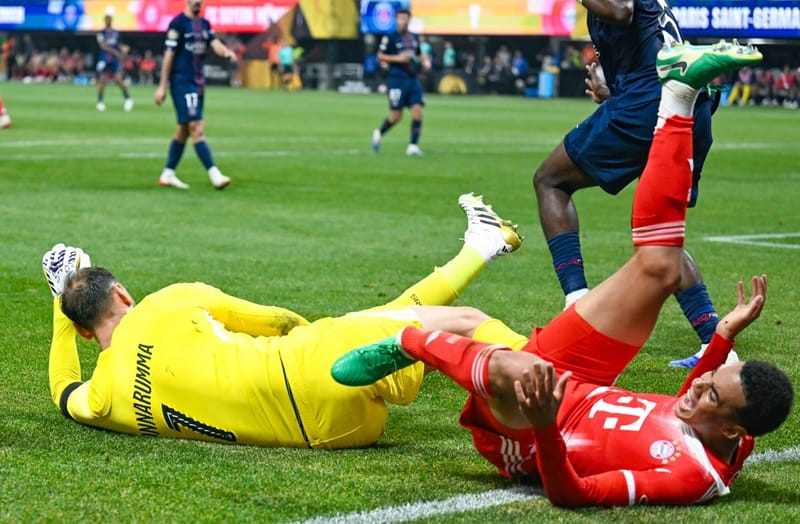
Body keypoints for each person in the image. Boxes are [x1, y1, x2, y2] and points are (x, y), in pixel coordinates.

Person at [333, 42, 792, 507]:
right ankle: (679, 91)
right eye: (708, 381)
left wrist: (545, 426)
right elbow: (693, 402)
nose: (696, 385)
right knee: (661, 269)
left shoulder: (690, 477)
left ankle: (406, 344)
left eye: (710, 393)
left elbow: (574, 493)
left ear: (731, 429)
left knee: (523, 369)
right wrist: (722, 337)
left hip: (529, 434)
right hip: (583, 382)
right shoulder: (733, 429)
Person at [43, 195, 522, 449]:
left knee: (382, 325)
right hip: (313, 365)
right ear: (122, 295)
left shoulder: (103, 398)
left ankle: (481, 245)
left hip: (333, 434)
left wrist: (59, 303)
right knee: (465, 323)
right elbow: (277, 322)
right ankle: (551, 366)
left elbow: (63, 388)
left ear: (82, 330)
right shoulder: (167, 302)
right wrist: (322, 330)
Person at [533, 0, 723, 369]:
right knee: (662, 231)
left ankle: (576, 301)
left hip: (650, 103)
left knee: (550, 181)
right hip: (689, 105)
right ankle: (717, 346)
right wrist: (611, 93)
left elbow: (621, 9)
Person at [154, 0, 237, 190]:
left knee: (183, 130)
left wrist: (227, 52)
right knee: (196, 126)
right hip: (182, 83)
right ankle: (214, 174)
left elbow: (215, 44)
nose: (198, 3)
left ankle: (168, 173)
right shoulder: (178, 24)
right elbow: (169, 55)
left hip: (198, 84)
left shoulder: (204, 24)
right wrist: (162, 86)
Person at [371, 8, 430, 157]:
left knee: (418, 111)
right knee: (396, 115)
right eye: (400, 18)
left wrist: (425, 61)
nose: (402, 21)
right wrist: (398, 58)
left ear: (409, 20)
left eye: (405, 18)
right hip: (397, 80)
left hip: (412, 79)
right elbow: (380, 56)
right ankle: (379, 132)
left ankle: (413, 146)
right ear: (396, 20)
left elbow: (419, 53)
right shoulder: (390, 37)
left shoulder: (413, 37)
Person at [95, 12, 134, 112]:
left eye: (109, 19)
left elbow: (118, 44)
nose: (108, 21)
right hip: (104, 59)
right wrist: (116, 52)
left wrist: (123, 48)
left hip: (114, 60)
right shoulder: (101, 33)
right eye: (107, 19)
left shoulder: (116, 33)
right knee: (102, 80)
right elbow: (103, 46)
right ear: (105, 21)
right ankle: (100, 101)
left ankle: (128, 99)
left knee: (118, 79)